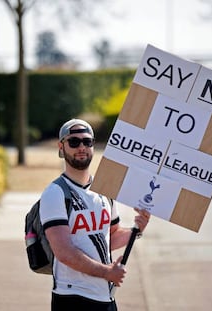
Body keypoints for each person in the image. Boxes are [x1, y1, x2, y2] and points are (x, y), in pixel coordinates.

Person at [40, 118, 151, 311]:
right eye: (74, 142)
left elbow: (111, 236)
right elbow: (64, 252)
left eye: (87, 141)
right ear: (61, 146)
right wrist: (107, 272)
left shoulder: (104, 190)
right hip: (72, 297)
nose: (81, 147)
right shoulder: (55, 193)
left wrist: (137, 229)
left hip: (104, 295)